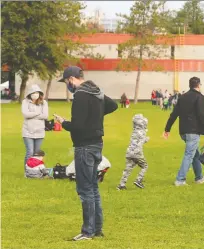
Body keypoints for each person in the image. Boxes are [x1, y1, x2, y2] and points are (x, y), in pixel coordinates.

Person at [55, 66, 118, 240]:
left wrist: (64, 122)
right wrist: (95, 115)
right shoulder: (95, 90)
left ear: (71, 79)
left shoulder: (80, 95)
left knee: (85, 191)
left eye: (66, 82)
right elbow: (113, 105)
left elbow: (78, 126)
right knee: (93, 188)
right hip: (97, 144)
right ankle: (97, 229)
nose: (67, 86)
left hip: (84, 146)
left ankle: (87, 231)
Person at [163, 77, 204, 186]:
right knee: (189, 155)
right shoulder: (199, 97)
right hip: (193, 131)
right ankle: (180, 180)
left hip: (183, 131)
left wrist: (167, 129)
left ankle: (199, 177)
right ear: (198, 85)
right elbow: (202, 115)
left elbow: (174, 114)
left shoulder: (182, 97)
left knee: (195, 154)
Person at [117, 114, 149, 190]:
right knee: (145, 166)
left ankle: (121, 185)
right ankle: (138, 180)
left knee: (128, 168)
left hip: (129, 152)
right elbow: (140, 143)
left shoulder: (134, 131)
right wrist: (146, 139)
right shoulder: (142, 132)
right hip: (137, 152)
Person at [22, 84, 49, 175]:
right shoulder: (25, 102)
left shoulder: (44, 103)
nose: (35, 94)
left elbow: (45, 116)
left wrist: (32, 114)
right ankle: (27, 171)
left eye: (37, 93)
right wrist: (38, 112)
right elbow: (25, 114)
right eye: (33, 93)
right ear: (30, 94)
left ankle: (35, 170)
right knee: (30, 152)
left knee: (37, 153)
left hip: (40, 132)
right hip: (27, 132)